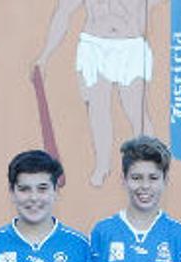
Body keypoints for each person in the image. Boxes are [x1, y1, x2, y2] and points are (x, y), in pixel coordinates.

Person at [35, 0, 157, 186]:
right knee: (97, 111)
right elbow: (63, 13)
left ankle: (144, 167)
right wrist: (45, 56)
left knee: (136, 111)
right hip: (94, 45)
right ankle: (102, 165)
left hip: (130, 45)